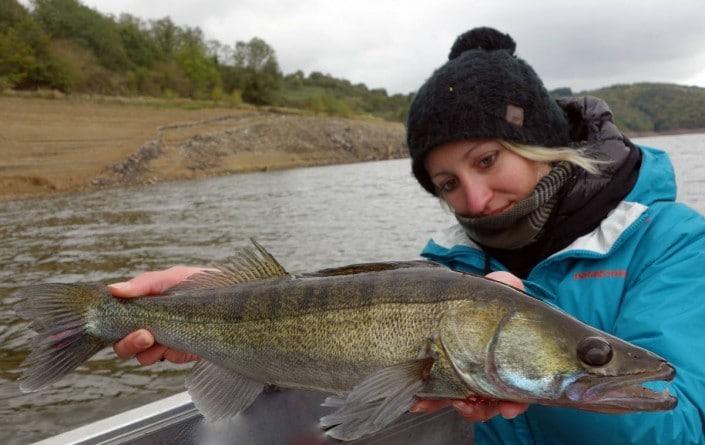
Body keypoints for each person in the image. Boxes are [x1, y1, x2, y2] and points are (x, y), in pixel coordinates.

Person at [110, 27, 705, 444]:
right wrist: (217, 321)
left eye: (488, 160)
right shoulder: (444, 269)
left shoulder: (672, 241)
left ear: (540, 146)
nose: (473, 199)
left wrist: (567, 375)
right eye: (446, 181)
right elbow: (334, 340)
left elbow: (679, 432)